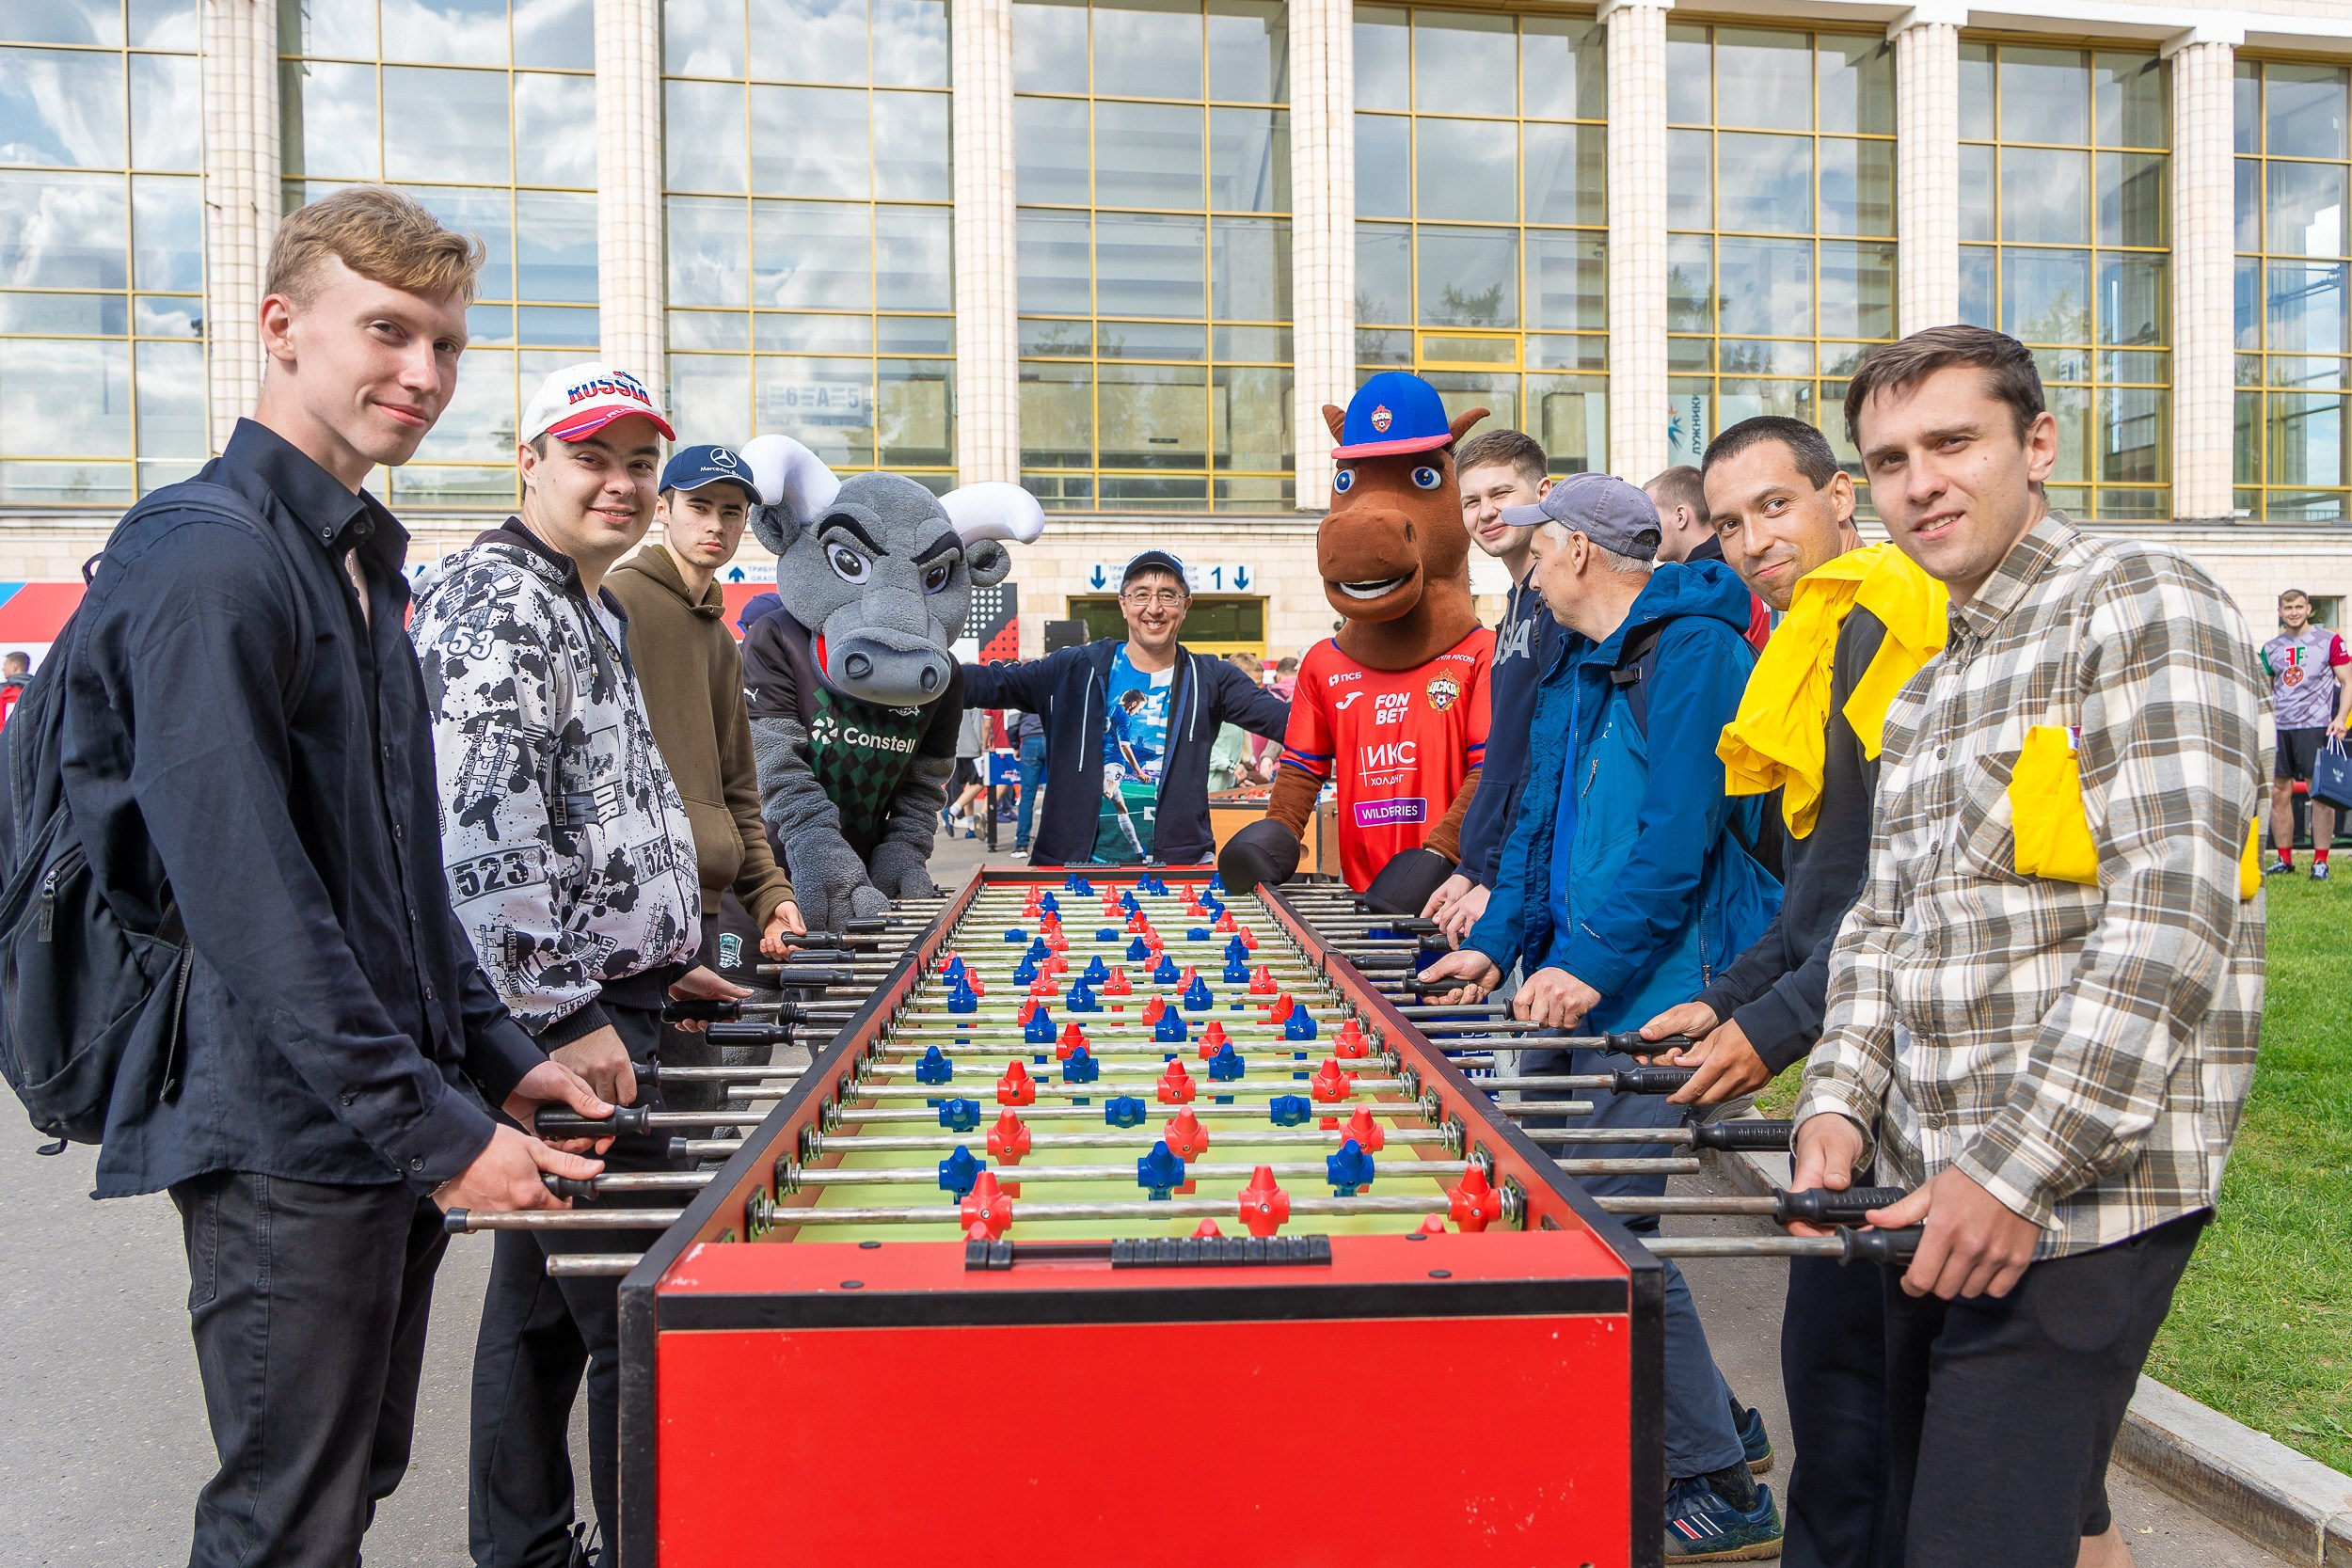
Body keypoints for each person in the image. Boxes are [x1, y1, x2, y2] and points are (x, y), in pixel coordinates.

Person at [54, 185, 611, 1568]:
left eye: (448, 345)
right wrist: (443, 1134)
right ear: (280, 327)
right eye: (389, 331)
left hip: (374, 1115)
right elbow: (252, 906)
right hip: (282, 1128)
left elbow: (401, 881)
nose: (422, 374)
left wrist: (494, 1054)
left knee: (352, 1477)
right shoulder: (210, 559)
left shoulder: (363, 568)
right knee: (284, 1520)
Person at [1792, 325, 2265, 1568]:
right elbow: (1881, 923)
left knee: (1971, 1534)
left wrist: (2015, 1171)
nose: (1920, 482)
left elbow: (2173, 916)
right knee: (1991, 1514)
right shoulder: (1929, 686)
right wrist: (1836, 1100)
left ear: (2036, 443)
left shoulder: (2143, 598)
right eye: (1890, 458)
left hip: (2086, 1191)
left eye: (1954, 441)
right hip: (1931, 1181)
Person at [1419, 473, 1785, 1562]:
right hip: (1581, 978)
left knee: (1598, 1234)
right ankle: (1726, 1427)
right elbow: (1535, 826)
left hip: (1668, 990)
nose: (1522, 560)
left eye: (1535, 545)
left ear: (1579, 550)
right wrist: (1499, 938)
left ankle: (1722, 1487)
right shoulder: (1580, 661)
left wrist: (1582, 961)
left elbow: (1677, 844)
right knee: (1571, 1217)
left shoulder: (1698, 652)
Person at [411, 360, 719, 1567]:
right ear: (527, 460)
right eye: (593, 456)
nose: (623, 483)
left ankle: (527, 1546)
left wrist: (667, 949)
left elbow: (597, 806)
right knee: (629, 1311)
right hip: (563, 1023)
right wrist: (563, 1013)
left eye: (641, 462)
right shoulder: (497, 598)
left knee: (541, 1307)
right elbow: (483, 835)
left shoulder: (584, 598)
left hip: (616, 995)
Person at [1638, 415, 1947, 1568]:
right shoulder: (1808, 636)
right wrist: (1731, 995)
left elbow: (1894, 892)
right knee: (1838, 1399)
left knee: (1919, 1435)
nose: (1754, 538)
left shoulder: (1881, 620)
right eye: (1727, 521)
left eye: (1776, 505)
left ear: (1837, 496)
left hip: (1926, 1070)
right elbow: (1822, 889)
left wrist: (1764, 1023)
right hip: (1856, 1046)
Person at [605, 443, 806, 1111]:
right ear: (663, 509)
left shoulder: (721, 639)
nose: (716, 524)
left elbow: (738, 795)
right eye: (699, 506)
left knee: (693, 1118)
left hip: (703, 912)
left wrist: (772, 893)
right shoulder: (614, 604)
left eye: (732, 511)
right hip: (624, 923)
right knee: (633, 1134)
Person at [961, 550, 1289, 865]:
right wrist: (925, 671)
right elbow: (990, 683)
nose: (1154, 608)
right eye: (1141, 594)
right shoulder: (1076, 668)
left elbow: (1291, 722)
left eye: (1168, 595)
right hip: (1070, 869)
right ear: (1123, 604)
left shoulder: (1211, 678)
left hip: (1179, 871)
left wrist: (1337, 689)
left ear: (1186, 605)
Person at [1422, 428, 1551, 945]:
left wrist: (1495, 877)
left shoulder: (1559, 602)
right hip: (1492, 870)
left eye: (1501, 494)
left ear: (1543, 494)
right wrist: (1470, 867)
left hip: (1526, 880)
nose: (1486, 513)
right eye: (1472, 501)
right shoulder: (1513, 601)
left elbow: (1545, 761)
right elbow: (1502, 761)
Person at [2260, 588, 2351, 878]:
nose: (2294, 612)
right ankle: (2284, 860)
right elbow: (2265, 692)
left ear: (2309, 608)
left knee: (2320, 794)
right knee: (2279, 793)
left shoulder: (2329, 640)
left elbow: (2348, 681)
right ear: (2280, 612)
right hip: (2280, 729)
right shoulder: (2270, 648)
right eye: (2288, 608)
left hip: (2316, 727)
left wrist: (2341, 719)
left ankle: (2320, 861)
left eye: (2299, 607)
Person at [1651, 464, 1772, 652]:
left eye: (1652, 514)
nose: (1647, 526)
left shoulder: (1710, 586)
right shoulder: (1739, 568)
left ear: (1680, 516)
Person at [1010, 705, 1047, 855]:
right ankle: (1052, 844)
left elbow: (1012, 724)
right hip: (1052, 739)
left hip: (1029, 742)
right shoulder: (1054, 685)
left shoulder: (1021, 687)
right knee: (1056, 795)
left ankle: (1022, 845)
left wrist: (1014, 745)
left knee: (1027, 796)